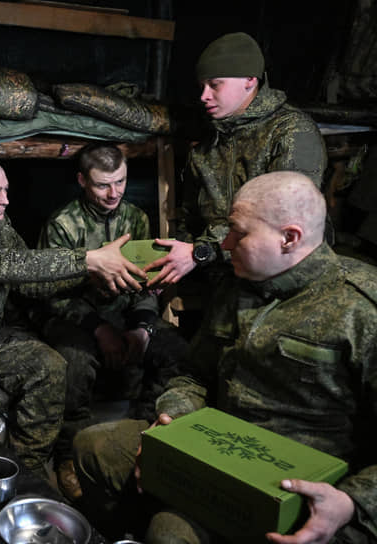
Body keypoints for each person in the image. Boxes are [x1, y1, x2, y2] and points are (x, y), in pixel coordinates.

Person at [73, 171, 377, 543]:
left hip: (305, 487)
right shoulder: (239, 284)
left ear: (289, 238)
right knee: (95, 447)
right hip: (215, 446)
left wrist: (353, 501)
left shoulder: (361, 309)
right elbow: (194, 374)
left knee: (170, 533)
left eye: (239, 233)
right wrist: (174, 418)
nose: (227, 244)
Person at [0, 155, 146, 473]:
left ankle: (27, 471)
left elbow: (29, 282)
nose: (5, 200)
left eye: (6, 190)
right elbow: (3, 265)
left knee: (50, 367)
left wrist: (97, 275)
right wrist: (88, 260)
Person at [35, 143, 185, 500]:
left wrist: (142, 325)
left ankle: (145, 441)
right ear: (82, 181)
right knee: (73, 360)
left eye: (120, 182)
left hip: (124, 314)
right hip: (74, 316)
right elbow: (51, 296)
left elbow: (146, 284)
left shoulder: (136, 218)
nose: (113, 193)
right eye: (103, 185)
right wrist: (99, 330)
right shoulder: (62, 225)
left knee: (175, 351)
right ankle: (68, 456)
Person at [146, 32, 327, 289]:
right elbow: (190, 216)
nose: (204, 96)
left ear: (250, 80)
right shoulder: (209, 141)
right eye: (202, 87)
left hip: (281, 277)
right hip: (222, 272)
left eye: (215, 84)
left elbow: (284, 217)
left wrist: (200, 252)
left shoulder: (291, 132)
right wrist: (177, 261)